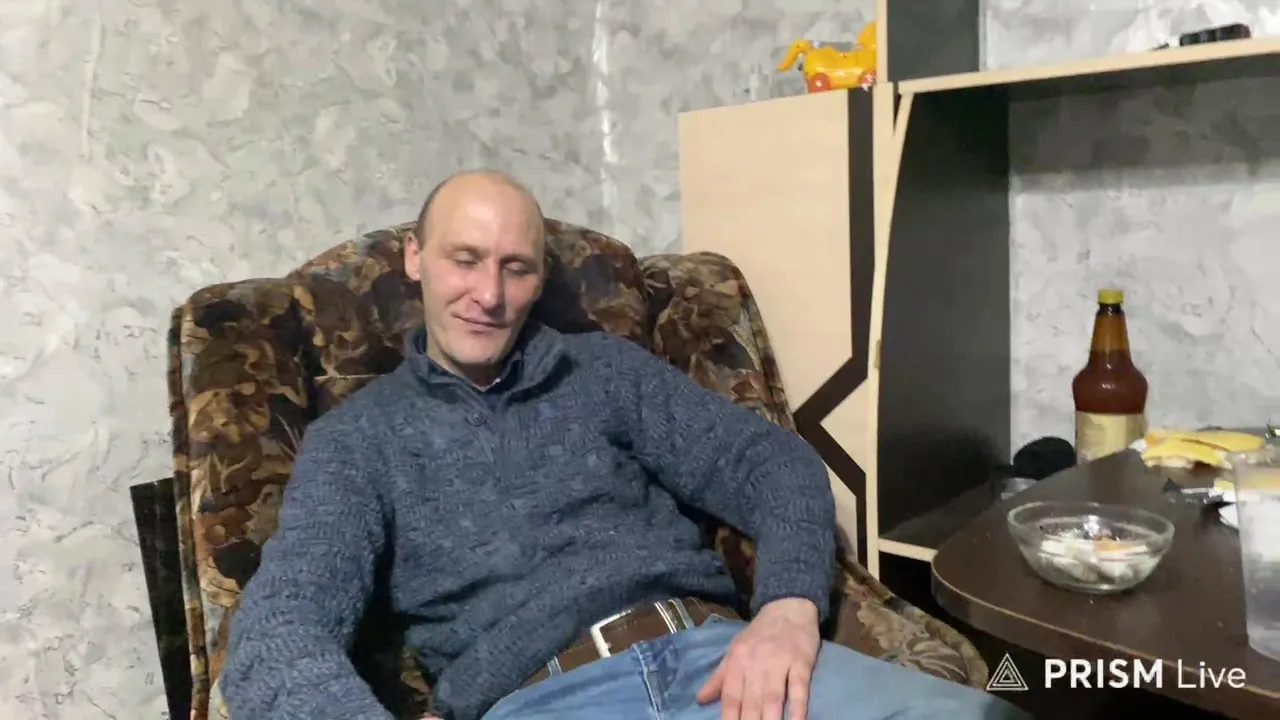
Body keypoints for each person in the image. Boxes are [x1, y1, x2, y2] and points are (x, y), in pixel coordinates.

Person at [220, 170, 1029, 720]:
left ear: (540, 277)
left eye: (515, 268)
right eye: (465, 260)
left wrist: (787, 609)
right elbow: (280, 630)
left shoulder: (604, 370)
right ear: (414, 259)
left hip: (719, 665)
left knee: (992, 712)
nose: (489, 295)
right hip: (539, 697)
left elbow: (770, 463)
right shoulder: (355, 441)